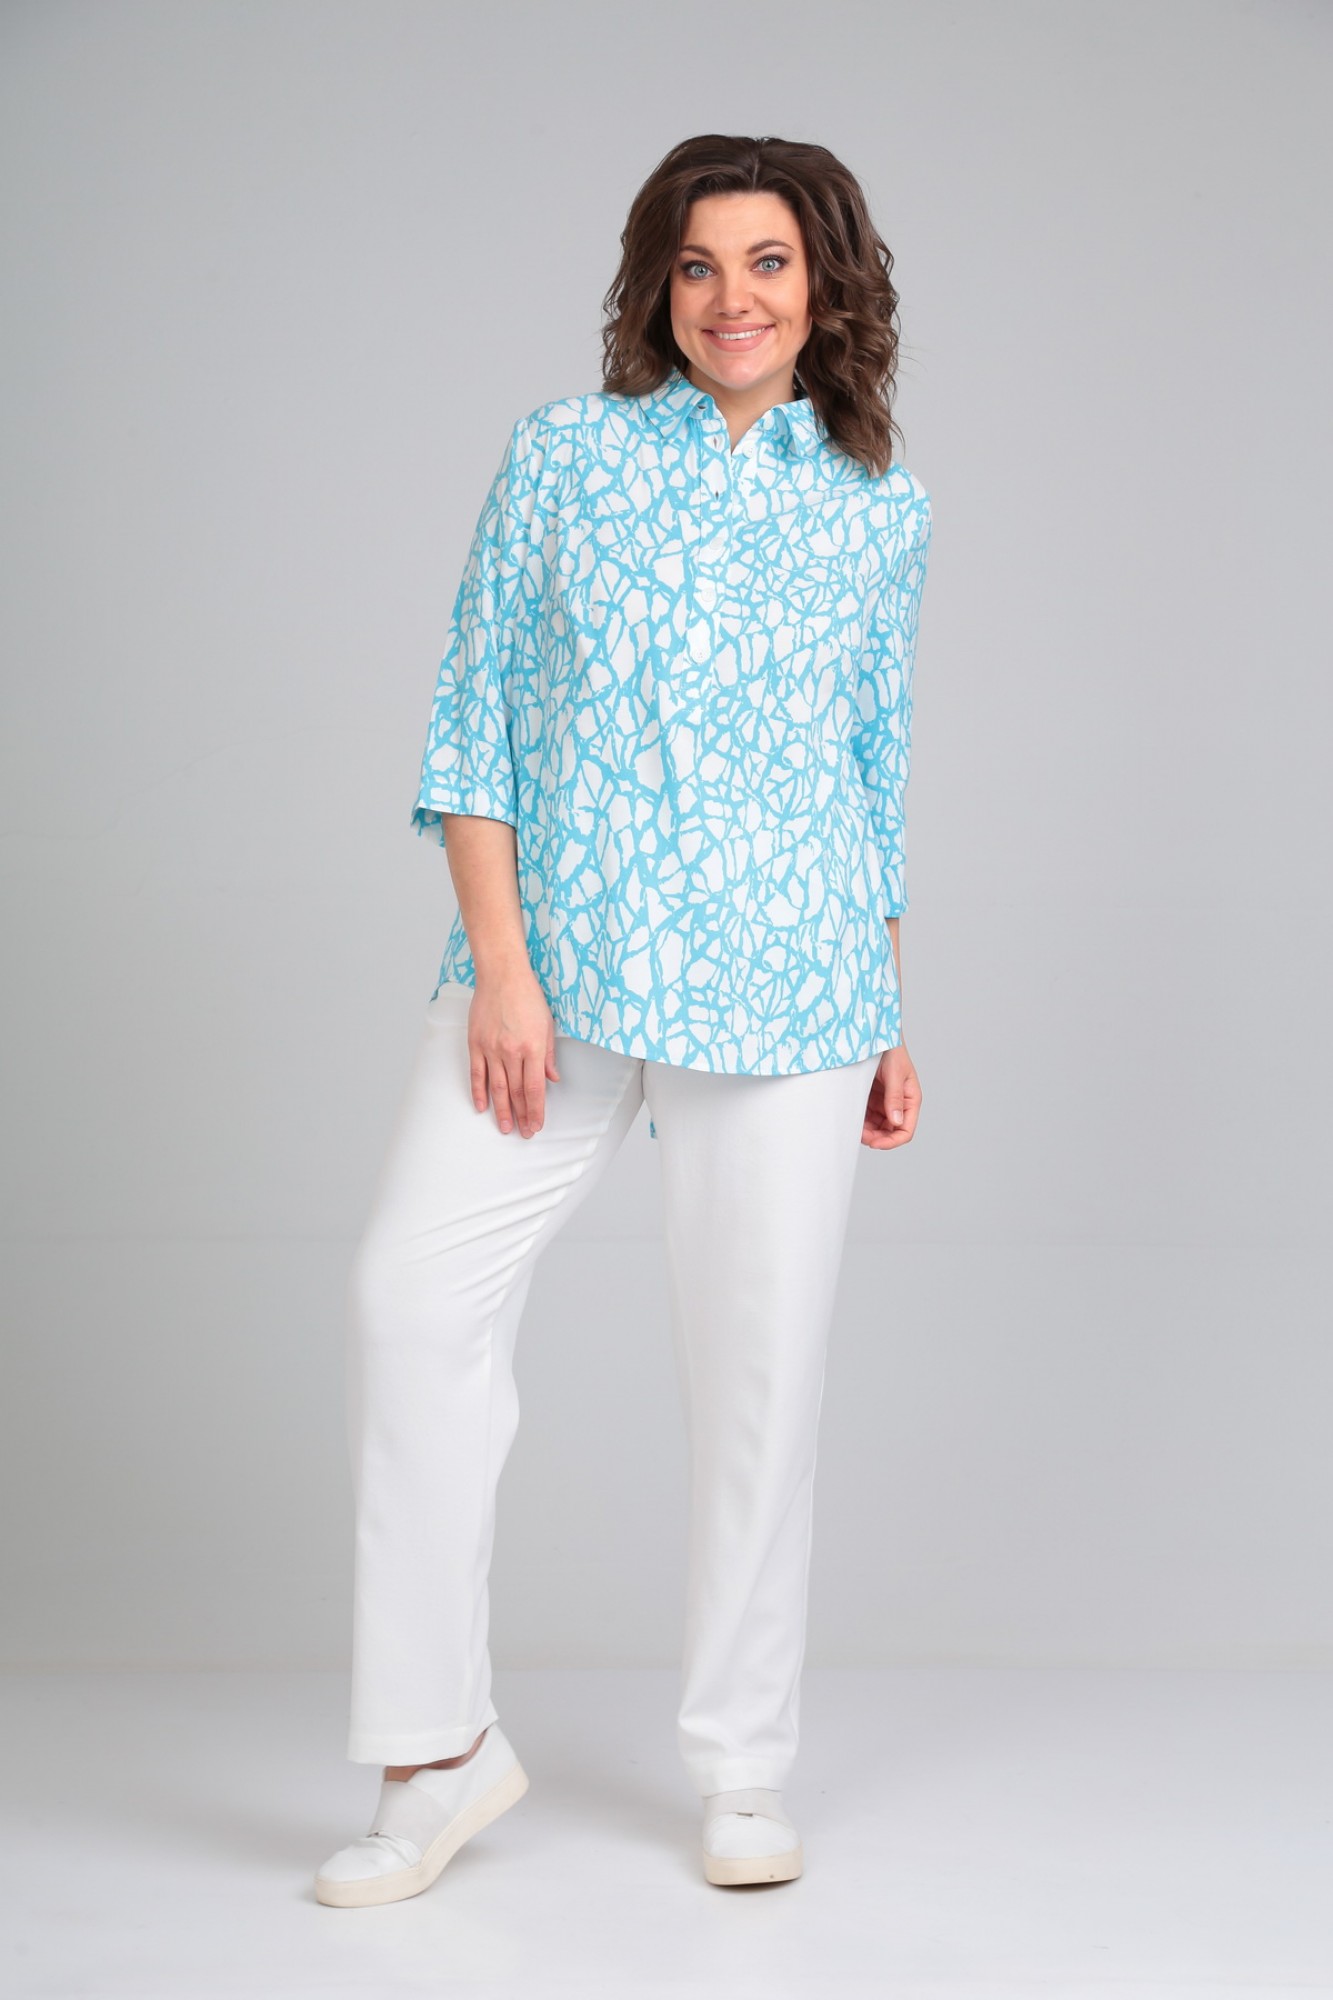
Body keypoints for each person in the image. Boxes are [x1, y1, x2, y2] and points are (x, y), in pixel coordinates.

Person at [314, 131, 933, 1908]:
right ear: (655, 286)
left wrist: (891, 1005)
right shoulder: (563, 458)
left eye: (767, 263)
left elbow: (870, 771)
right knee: (407, 1300)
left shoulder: (878, 508)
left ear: (823, 288)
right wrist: (501, 967)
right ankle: (435, 1750)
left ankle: (743, 1766)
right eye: (696, 263)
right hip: (557, 974)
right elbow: (473, 721)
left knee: (756, 1381)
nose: (731, 298)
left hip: (795, 981)